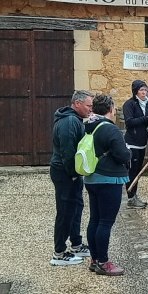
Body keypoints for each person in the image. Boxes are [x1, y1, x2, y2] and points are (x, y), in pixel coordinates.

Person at [82, 94, 130, 276]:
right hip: (109, 178)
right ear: (111, 109)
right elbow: (123, 155)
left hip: (92, 177)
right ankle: (103, 261)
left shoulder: (88, 125)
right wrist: (128, 153)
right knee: (105, 222)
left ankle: (95, 259)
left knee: (94, 219)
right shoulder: (111, 129)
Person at [50, 90, 94, 266]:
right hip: (65, 173)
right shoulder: (69, 122)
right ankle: (59, 253)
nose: (91, 109)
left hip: (72, 172)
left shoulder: (75, 120)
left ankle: (76, 244)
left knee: (76, 207)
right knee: (65, 211)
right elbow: (67, 151)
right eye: (88, 106)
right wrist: (74, 174)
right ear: (77, 104)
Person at [123, 80, 148, 209]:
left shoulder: (147, 103)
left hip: (142, 142)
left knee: (138, 171)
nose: (144, 93)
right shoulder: (129, 104)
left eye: (145, 90)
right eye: (141, 90)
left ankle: (134, 195)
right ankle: (131, 197)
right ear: (136, 91)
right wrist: (146, 118)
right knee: (132, 171)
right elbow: (129, 122)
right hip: (132, 143)